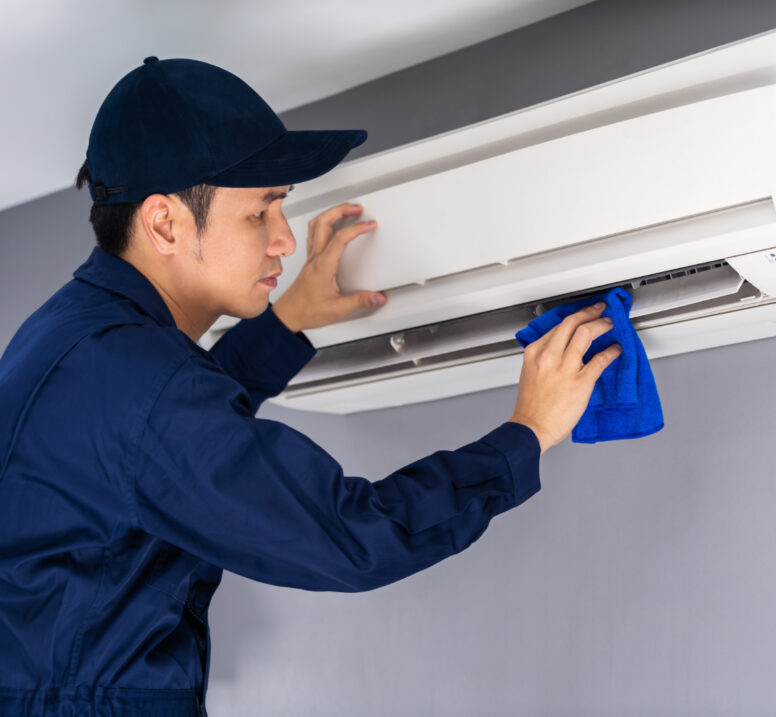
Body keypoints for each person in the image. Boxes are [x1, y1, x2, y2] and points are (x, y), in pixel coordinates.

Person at [0, 57, 622, 716]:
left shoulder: (73, 340)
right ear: (165, 224)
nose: (284, 240)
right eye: (260, 212)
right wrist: (525, 435)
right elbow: (349, 538)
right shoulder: (135, 381)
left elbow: (167, 445)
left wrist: (287, 320)